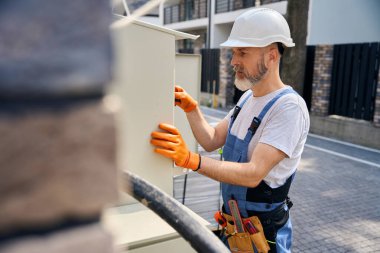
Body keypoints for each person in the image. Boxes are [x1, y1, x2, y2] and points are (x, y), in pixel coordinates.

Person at [150, 8, 310, 253]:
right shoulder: (247, 99)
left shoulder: (289, 107)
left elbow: (253, 174)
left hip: (263, 236)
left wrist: (191, 160)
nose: (233, 61)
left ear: (271, 55)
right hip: (235, 230)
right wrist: (192, 110)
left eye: (242, 52)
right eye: (234, 52)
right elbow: (212, 139)